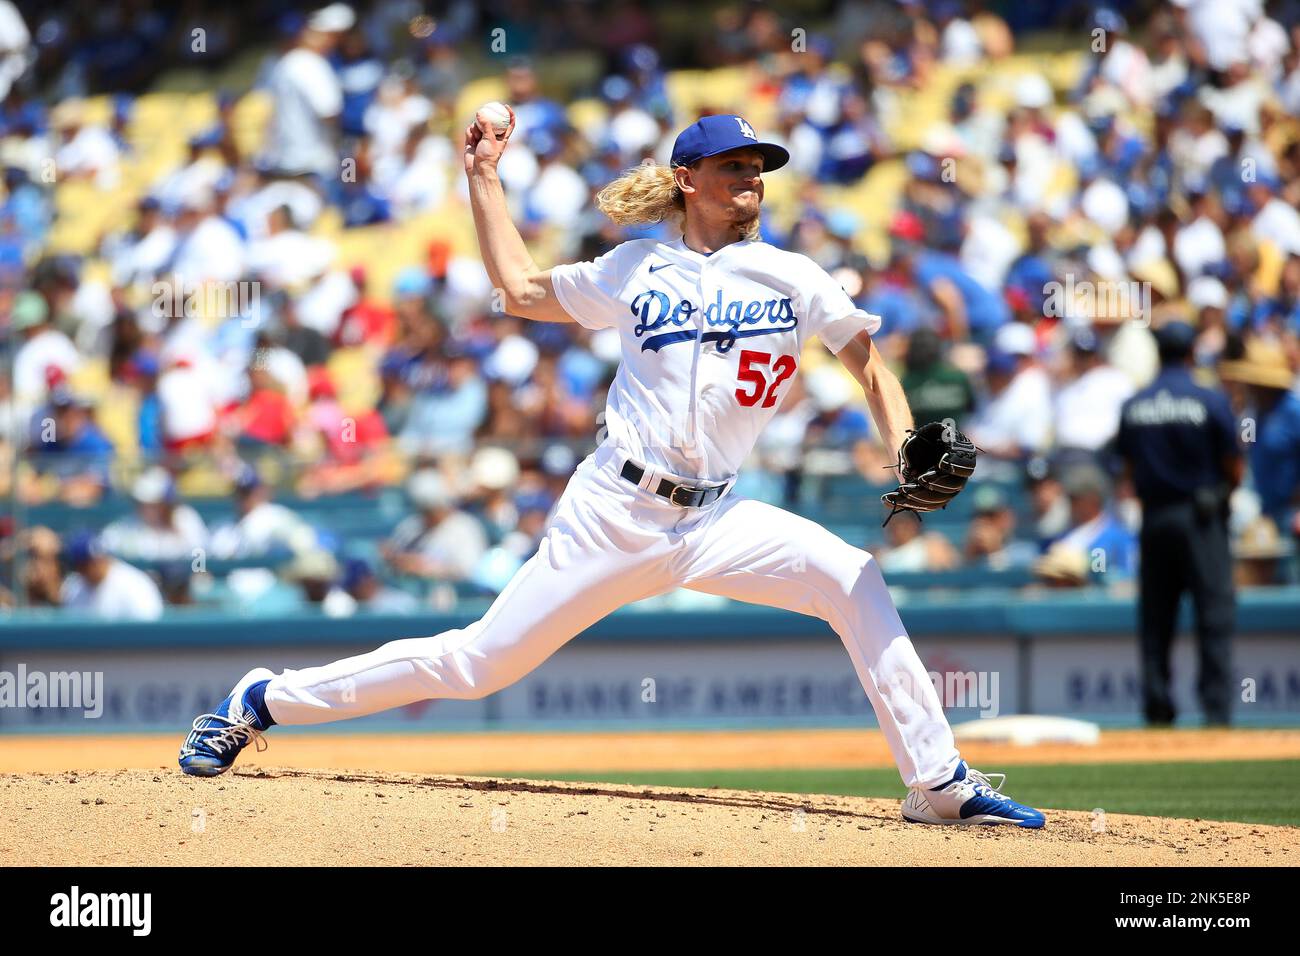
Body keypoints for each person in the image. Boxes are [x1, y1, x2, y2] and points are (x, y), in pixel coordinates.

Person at [176, 111, 1044, 829]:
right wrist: (483, 176)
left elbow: (866, 363)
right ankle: (263, 700)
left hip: (717, 518)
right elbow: (518, 291)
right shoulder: (635, 267)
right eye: (734, 164)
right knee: (480, 663)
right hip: (614, 511)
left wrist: (902, 446)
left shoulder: (792, 273)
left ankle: (938, 784)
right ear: (687, 180)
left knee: (854, 579)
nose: (752, 177)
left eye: (760, 166)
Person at [1115, 321, 1243, 726]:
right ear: (1192, 353)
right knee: (1213, 614)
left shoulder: (1135, 403)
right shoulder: (1210, 398)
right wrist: (1222, 491)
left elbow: (1127, 467)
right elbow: (1234, 463)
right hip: (1201, 517)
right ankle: (1217, 712)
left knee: (1156, 618)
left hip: (1155, 517)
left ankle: (1157, 708)